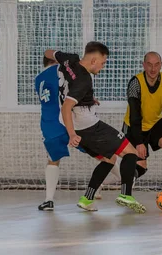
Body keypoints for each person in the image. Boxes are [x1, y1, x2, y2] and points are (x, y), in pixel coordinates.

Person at [44, 42, 146, 213]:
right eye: (103, 62)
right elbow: (66, 106)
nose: (103, 66)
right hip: (87, 125)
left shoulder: (69, 59)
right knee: (130, 152)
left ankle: (87, 199)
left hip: (71, 121)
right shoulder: (84, 79)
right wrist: (71, 135)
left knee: (109, 159)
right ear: (93, 60)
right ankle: (126, 194)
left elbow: (49, 53)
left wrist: (88, 99)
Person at [35, 56, 120, 211]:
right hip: (70, 121)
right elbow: (72, 89)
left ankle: (48, 200)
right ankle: (126, 179)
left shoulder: (38, 79)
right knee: (105, 154)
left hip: (50, 125)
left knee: (53, 159)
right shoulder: (61, 70)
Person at [122, 51, 162, 199]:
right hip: (134, 125)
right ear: (144, 65)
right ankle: (100, 185)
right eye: (149, 65)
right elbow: (135, 115)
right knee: (139, 166)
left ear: (161, 65)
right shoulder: (135, 83)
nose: (153, 69)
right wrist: (139, 142)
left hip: (155, 122)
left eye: (156, 64)